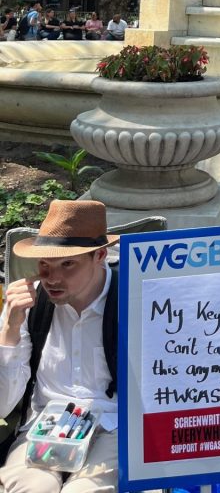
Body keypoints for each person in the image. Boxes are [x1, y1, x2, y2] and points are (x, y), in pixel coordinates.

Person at [0, 200, 119, 493]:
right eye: (44, 264)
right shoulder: (27, 305)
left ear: (100, 255)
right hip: (44, 425)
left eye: (67, 264)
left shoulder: (133, 299)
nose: (52, 278)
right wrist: (10, 329)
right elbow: (2, 406)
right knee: (31, 489)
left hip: (113, 427)